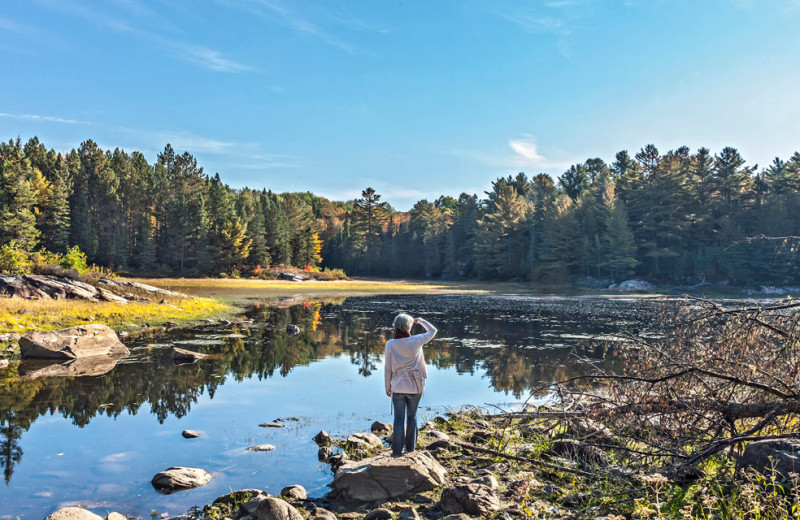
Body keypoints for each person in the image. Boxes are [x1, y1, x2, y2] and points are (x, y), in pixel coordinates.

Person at [384, 313, 437, 457]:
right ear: (409, 326)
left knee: (398, 419)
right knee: (412, 417)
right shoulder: (416, 341)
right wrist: (420, 321)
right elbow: (433, 331)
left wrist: (387, 387)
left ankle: (396, 452)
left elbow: (388, 368)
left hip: (398, 385)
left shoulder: (390, 344)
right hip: (415, 385)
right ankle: (410, 449)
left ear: (395, 327)